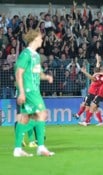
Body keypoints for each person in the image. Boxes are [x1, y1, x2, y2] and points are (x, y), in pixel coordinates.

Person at [14, 29, 54, 157]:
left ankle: (17, 149)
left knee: (25, 118)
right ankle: (41, 147)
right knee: (42, 113)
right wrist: (21, 92)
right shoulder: (25, 54)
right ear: (34, 39)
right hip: (29, 90)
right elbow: (18, 73)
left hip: (34, 90)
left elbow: (38, 73)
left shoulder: (36, 56)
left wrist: (46, 77)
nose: (42, 40)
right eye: (40, 38)